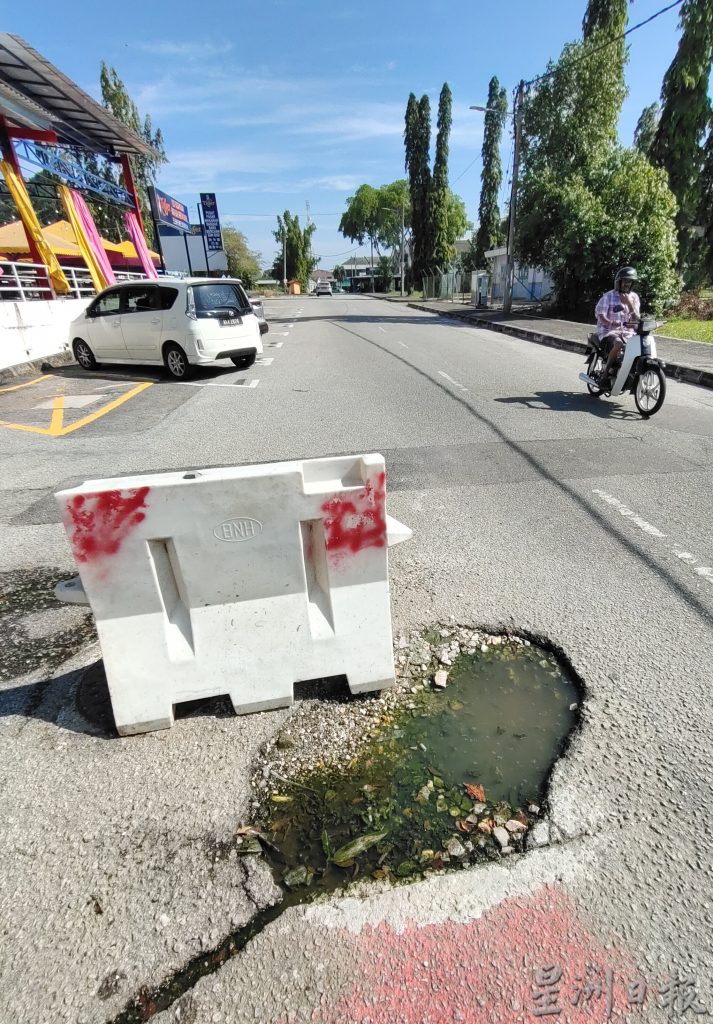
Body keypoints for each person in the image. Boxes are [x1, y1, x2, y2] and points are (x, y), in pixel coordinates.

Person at [594, 266, 641, 387]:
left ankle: (629, 374)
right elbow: (601, 316)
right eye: (625, 281)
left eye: (629, 281)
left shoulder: (634, 297)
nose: (627, 284)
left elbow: (636, 318)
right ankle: (604, 375)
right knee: (618, 343)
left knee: (640, 346)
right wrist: (611, 322)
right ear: (618, 282)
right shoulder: (608, 296)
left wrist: (629, 304)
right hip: (609, 331)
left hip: (628, 332)